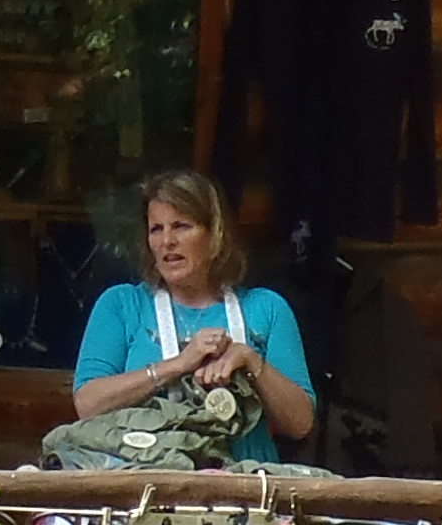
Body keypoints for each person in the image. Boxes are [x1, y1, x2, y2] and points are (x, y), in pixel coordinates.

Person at [72, 169, 319, 465]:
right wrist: (178, 364)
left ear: (215, 235)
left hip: (244, 483)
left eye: (181, 226)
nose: (167, 241)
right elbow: (88, 405)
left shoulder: (266, 308)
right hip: (146, 481)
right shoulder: (122, 304)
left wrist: (249, 360)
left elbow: (300, 424)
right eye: (156, 229)